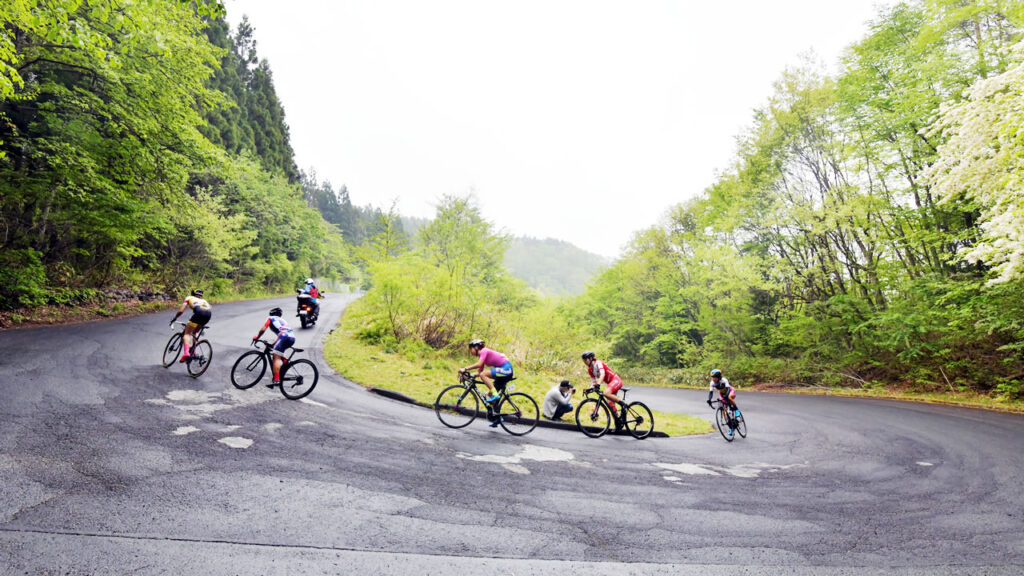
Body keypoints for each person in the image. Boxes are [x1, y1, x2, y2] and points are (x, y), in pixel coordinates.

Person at [459, 339, 514, 426]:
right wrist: (467, 375)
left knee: (485, 378)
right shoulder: (482, 356)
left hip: (506, 369)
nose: (470, 351)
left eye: (471, 349)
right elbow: (479, 372)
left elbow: (479, 365)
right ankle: (497, 418)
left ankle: (495, 395)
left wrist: (465, 368)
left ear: (476, 347)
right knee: (489, 395)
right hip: (503, 370)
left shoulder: (484, 351)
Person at [253, 307, 296, 387]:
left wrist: (257, 337)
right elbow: (281, 334)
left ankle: (276, 380)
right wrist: (272, 344)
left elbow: (263, 329)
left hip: (284, 337)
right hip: (292, 338)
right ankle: (286, 364)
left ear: (271, 313)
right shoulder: (283, 321)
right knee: (278, 352)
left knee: (276, 357)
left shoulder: (270, 318)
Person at [582, 351, 625, 427]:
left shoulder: (598, 363)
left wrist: (599, 384)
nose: (585, 362)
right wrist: (588, 390)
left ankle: (623, 405)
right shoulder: (590, 370)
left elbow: (602, 374)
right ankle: (618, 423)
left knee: (606, 393)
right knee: (610, 404)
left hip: (616, 380)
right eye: (584, 360)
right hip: (610, 383)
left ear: (591, 358)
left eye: (586, 359)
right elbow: (594, 382)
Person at [169, 289, 211, 363]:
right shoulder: (204, 301)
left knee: (187, 334)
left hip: (198, 313)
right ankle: (193, 352)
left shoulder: (189, 298)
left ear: (192, 294)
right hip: (208, 315)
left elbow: (181, 311)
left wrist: (175, 318)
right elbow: (205, 310)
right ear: (201, 296)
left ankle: (186, 354)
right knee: (195, 333)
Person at [706, 368, 740, 436]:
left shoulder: (724, 380)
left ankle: (736, 410)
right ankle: (731, 427)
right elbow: (711, 392)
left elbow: (727, 389)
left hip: (730, 391)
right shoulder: (712, 383)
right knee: (723, 410)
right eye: (712, 377)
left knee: (729, 398)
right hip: (722, 394)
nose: (713, 379)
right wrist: (709, 399)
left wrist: (726, 397)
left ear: (718, 377)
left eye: (714, 377)